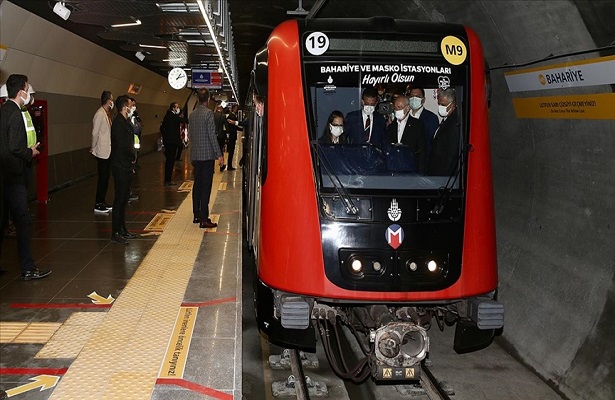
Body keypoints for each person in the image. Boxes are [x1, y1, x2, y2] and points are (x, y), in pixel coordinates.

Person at [0, 74, 51, 280]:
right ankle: (28, 268)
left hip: (3, 175)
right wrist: (30, 152)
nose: (29, 94)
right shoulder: (15, 114)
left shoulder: (3, 111)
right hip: (14, 176)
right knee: (22, 221)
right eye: (27, 90)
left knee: (3, 222)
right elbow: (14, 146)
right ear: (21, 92)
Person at [190, 88, 224, 229]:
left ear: (198, 99)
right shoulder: (209, 114)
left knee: (197, 185)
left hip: (196, 156)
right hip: (207, 157)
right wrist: (219, 154)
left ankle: (196, 215)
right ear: (208, 99)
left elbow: (191, 136)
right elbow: (211, 136)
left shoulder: (192, 115)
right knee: (206, 187)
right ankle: (204, 218)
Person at [109, 95, 138, 244]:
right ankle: (116, 232)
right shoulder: (118, 123)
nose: (131, 107)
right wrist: (131, 155)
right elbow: (122, 145)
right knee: (119, 199)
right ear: (124, 107)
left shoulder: (125, 122)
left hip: (126, 164)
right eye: (130, 105)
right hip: (120, 165)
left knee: (124, 198)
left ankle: (123, 229)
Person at [386, 95, 428, 173]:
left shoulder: (417, 125)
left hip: (411, 169)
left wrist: (421, 173)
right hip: (393, 169)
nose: (397, 110)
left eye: (400, 107)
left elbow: (422, 151)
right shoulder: (391, 126)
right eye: (395, 108)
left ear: (408, 108)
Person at [428, 88, 460, 176]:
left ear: (452, 104)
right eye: (439, 103)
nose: (440, 107)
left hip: (444, 175)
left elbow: (451, 155)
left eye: (443, 104)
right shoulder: (446, 120)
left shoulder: (454, 123)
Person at [91, 90, 114, 213]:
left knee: (106, 178)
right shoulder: (99, 114)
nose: (113, 102)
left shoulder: (107, 114)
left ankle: (102, 201)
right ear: (108, 100)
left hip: (107, 150)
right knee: (102, 178)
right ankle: (98, 203)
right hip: (102, 151)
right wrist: (93, 147)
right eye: (112, 99)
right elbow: (95, 133)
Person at [160, 102, 187, 185]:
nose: (178, 109)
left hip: (168, 142)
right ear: (173, 108)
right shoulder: (174, 117)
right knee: (170, 161)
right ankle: (168, 180)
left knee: (169, 160)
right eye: (177, 107)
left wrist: (165, 138)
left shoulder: (166, 117)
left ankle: (167, 179)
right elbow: (185, 121)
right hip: (173, 142)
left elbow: (161, 128)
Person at [407, 87, 439, 157]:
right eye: (412, 96)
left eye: (418, 96)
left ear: (423, 99)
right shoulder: (404, 116)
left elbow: (432, 144)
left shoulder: (431, 118)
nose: (414, 98)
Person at [213, 104, 227, 171]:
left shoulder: (212, 115)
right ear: (221, 109)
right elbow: (226, 126)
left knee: (213, 151)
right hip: (221, 135)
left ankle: (212, 168)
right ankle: (221, 165)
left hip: (213, 135)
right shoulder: (223, 116)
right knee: (221, 150)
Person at [225, 104, 240, 170]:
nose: (236, 110)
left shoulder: (231, 116)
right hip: (232, 136)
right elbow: (234, 126)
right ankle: (229, 165)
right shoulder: (231, 116)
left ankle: (230, 165)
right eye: (236, 108)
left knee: (231, 151)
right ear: (233, 108)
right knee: (231, 151)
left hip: (232, 135)